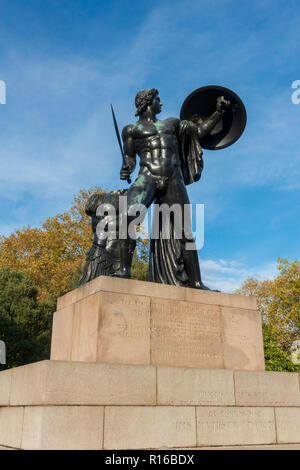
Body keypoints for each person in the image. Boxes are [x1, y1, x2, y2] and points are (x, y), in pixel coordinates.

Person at [114, 88, 229, 289]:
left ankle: (196, 281)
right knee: (128, 218)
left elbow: (200, 133)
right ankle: (124, 270)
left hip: (173, 177)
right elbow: (130, 158)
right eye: (158, 99)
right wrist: (126, 168)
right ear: (148, 101)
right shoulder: (130, 130)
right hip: (147, 176)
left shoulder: (172, 123)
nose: (161, 103)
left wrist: (218, 112)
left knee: (184, 230)